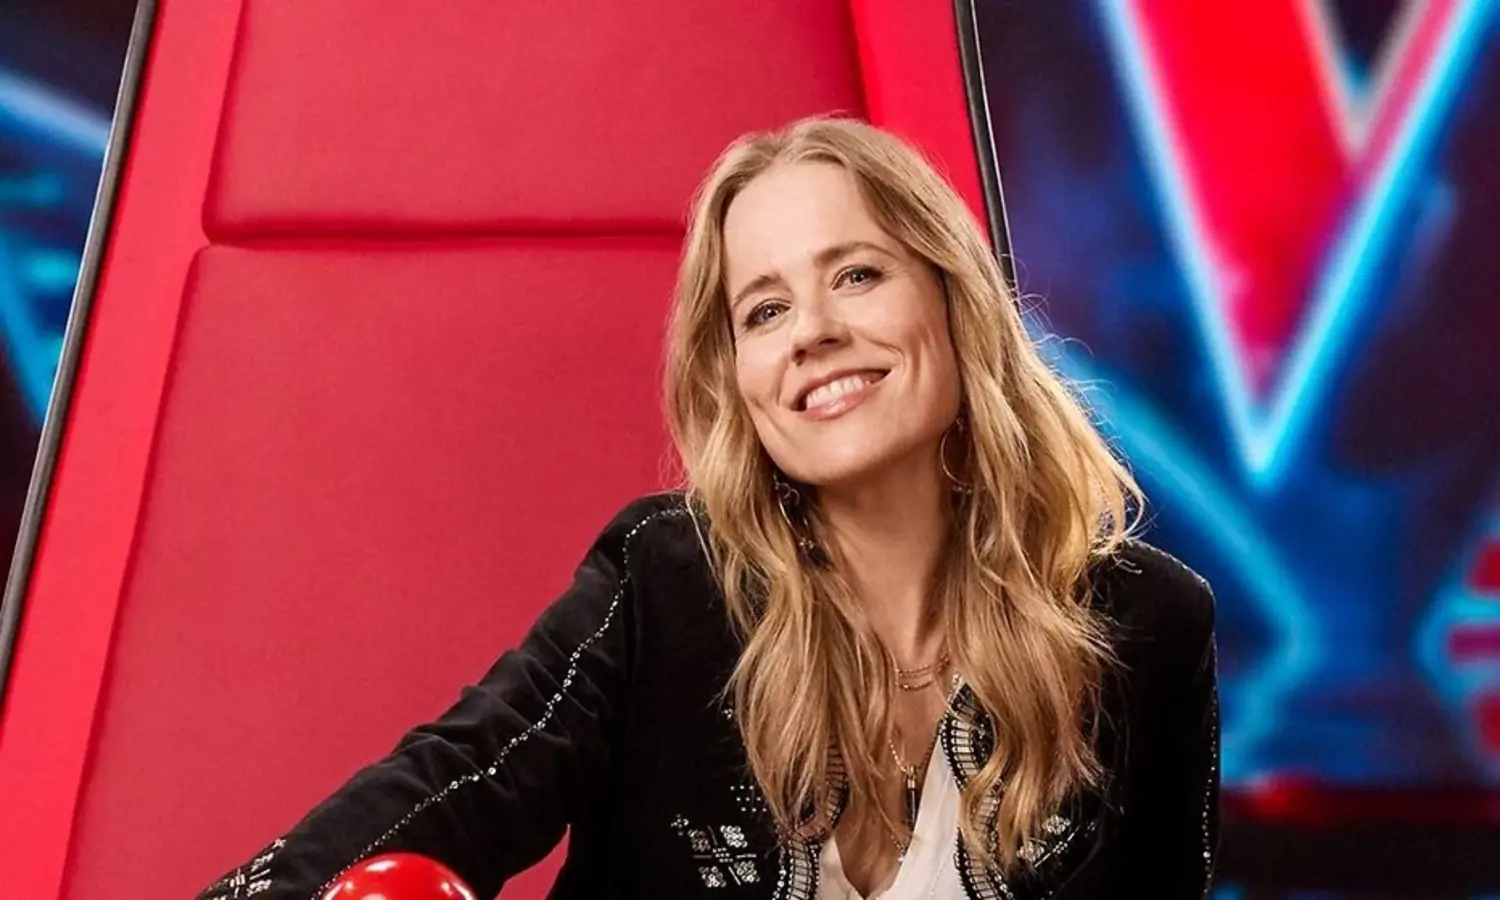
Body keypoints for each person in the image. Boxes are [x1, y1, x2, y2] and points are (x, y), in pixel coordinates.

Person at [199, 117, 1219, 900]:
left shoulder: (1149, 628)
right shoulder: (665, 582)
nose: (812, 332)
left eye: (857, 275)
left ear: (954, 304)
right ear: (739, 377)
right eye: (764, 311)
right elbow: (461, 778)